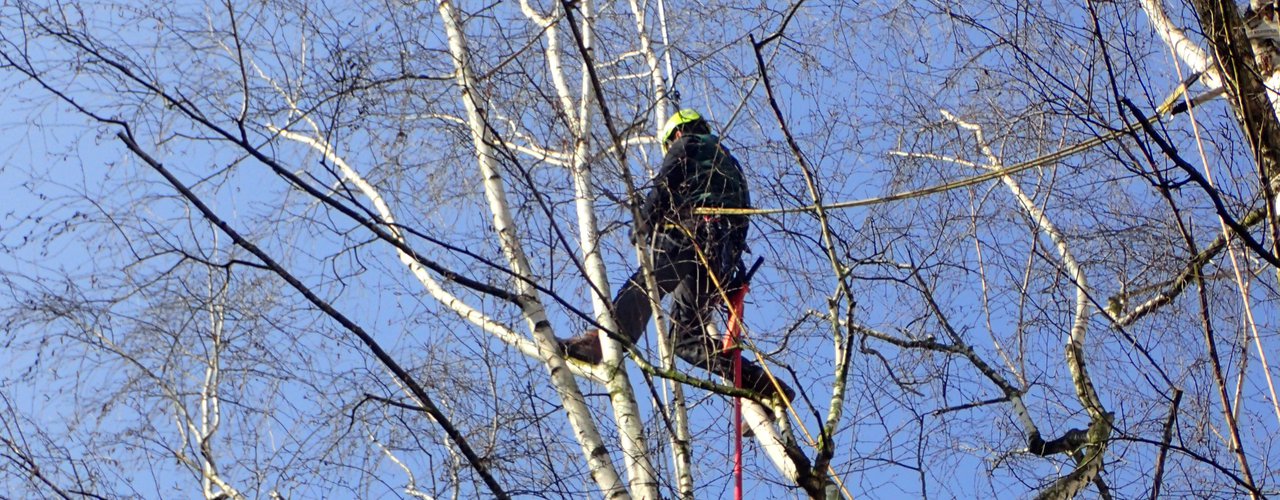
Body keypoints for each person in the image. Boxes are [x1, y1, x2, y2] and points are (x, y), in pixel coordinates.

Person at [558, 109, 794, 404]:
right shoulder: (730, 166)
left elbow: (665, 183)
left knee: (645, 285)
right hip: (720, 259)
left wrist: (645, 220)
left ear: (677, 134)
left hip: (694, 236)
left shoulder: (688, 145)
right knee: (685, 340)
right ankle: (763, 386)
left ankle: (601, 342)